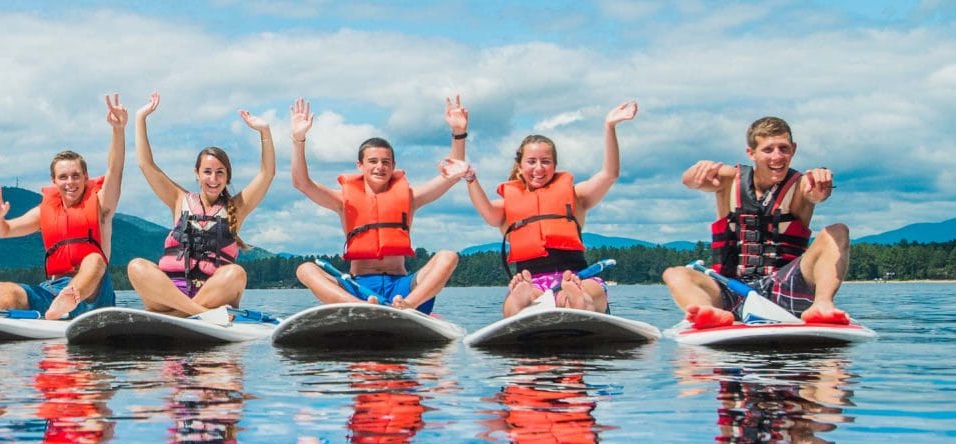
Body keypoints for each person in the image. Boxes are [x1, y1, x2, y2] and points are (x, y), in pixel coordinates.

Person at [661, 116, 851, 329]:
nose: (777, 157)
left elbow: (816, 194)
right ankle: (710, 312)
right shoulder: (728, 179)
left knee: (839, 231)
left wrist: (820, 188)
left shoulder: (802, 185)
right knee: (674, 273)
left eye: (784, 148)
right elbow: (689, 181)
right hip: (729, 290)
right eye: (768, 150)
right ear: (750, 153)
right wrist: (696, 172)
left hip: (783, 288)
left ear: (794, 149)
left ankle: (822, 305)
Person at [459, 101, 638, 317]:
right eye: (531, 161)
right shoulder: (507, 208)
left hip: (577, 276)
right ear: (520, 165)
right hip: (533, 282)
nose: (539, 168)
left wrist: (609, 127)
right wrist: (470, 177)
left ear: (554, 165)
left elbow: (610, 174)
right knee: (514, 306)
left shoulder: (576, 196)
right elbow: (486, 209)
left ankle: (574, 299)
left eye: (546, 161)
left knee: (585, 294)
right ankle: (526, 298)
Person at [288, 96, 467, 313]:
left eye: (386, 162)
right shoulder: (342, 201)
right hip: (359, 288)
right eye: (373, 161)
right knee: (305, 269)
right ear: (360, 165)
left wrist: (458, 133)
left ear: (393, 166)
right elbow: (302, 183)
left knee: (448, 256)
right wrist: (298, 140)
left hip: (403, 289)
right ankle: (359, 307)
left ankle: (408, 306)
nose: (380, 167)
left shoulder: (410, 197)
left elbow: (453, 174)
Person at [0, 95, 128, 320]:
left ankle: (68, 301)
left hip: (93, 295)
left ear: (85, 177)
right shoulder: (44, 212)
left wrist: (118, 130)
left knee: (94, 259)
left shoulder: (101, 205)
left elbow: (115, 169)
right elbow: (2, 231)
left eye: (76, 175)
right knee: (5, 289)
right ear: (54, 181)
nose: (70, 182)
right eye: (63, 177)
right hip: (52, 291)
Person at [124, 92, 278, 318]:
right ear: (197, 174)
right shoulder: (179, 199)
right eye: (207, 172)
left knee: (236, 273)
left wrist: (264, 131)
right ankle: (198, 314)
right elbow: (146, 164)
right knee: (136, 266)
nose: (213, 179)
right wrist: (140, 118)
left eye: (219, 173)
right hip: (171, 295)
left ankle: (180, 316)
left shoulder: (237, 207)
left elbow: (267, 174)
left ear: (227, 177)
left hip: (212, 293)